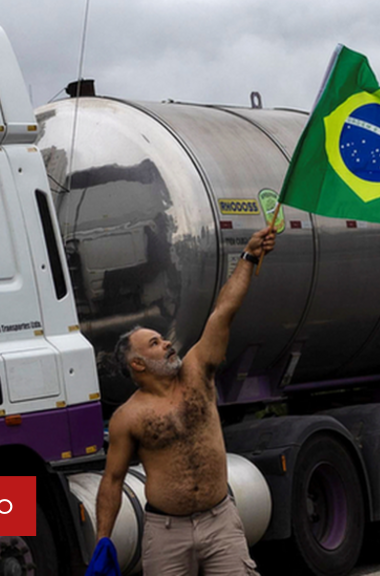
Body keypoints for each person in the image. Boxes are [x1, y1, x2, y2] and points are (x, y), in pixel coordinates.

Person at [95, 226, 276, 576]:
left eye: (162, 338)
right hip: (166, 533)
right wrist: (104, 540)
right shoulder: (127, 417)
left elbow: (223, 312)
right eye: (154, 344)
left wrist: (250, 256)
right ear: (138, 364)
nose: (166, 343)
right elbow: (112, 479)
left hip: (220, 520)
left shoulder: (196, 371)